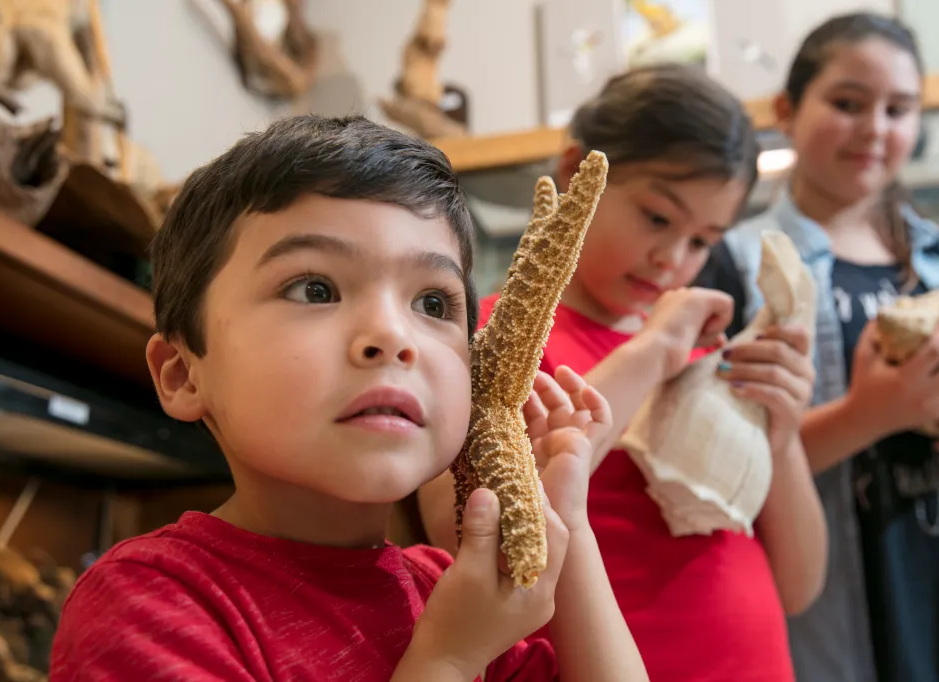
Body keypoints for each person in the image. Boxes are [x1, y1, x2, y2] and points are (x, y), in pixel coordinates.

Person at [48, 115, 652, 682]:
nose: (392, 336)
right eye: (315, 288)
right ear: (183, 373)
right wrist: (446, 660)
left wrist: (564, 522)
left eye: (433, 304)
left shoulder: (454, 588)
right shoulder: (149, 599)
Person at [419, 65, 828, 681]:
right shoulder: (496, 345)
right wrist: (653, 350)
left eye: (702, 241)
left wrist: (783, 429)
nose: (674, 258)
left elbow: (799, 587)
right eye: (658, 218)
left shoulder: (699, 361)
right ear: (576, 171)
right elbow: (462, 538)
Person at [697, 13, 939, 682]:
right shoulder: (731, 262)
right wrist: (870, 414)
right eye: (847, 103)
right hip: (844, 611)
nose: (876, 128)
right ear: (787, 110)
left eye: (899, 109)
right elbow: (718, 472)